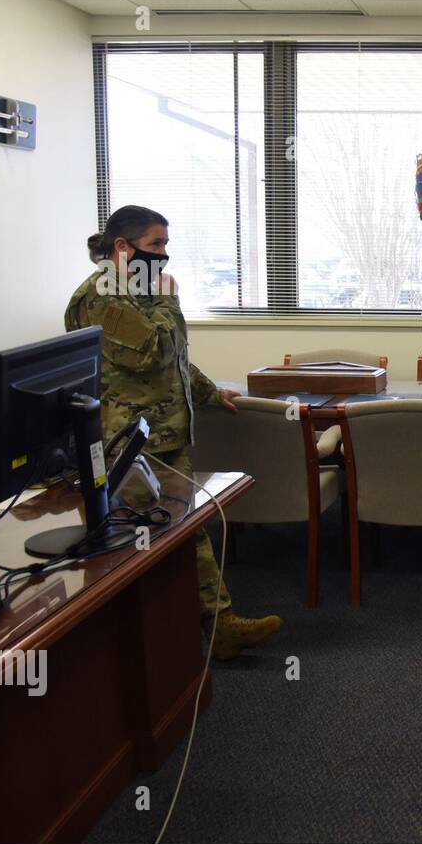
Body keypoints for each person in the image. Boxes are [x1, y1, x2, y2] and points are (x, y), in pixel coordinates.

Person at [65, 205, 284, 660]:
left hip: (163, 433)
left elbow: (177, 357)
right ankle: (190, 634)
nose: (163, 256)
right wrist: (170, 299)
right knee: (159, 536)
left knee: (181, 530)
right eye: (155, 245)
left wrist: (206, 391)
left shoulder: (138, 289)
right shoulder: (102, 297)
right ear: (122, 247)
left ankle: (210, 628)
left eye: (166, 245)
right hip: (131, 440)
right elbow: (152, 354)